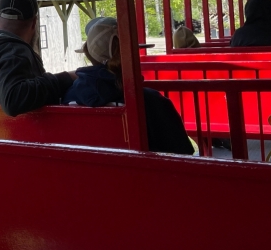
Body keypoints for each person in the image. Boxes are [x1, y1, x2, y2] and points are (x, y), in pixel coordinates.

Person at [62, 17, 194, 155]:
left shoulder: (70, 96)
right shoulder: (150, 101)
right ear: (130, 53)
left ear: (89, 54)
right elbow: (182, 152)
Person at [0, 0, 76, 116]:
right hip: (8, 134)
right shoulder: (14, 50)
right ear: (34, 22)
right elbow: (13, 100)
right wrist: (67, 78)